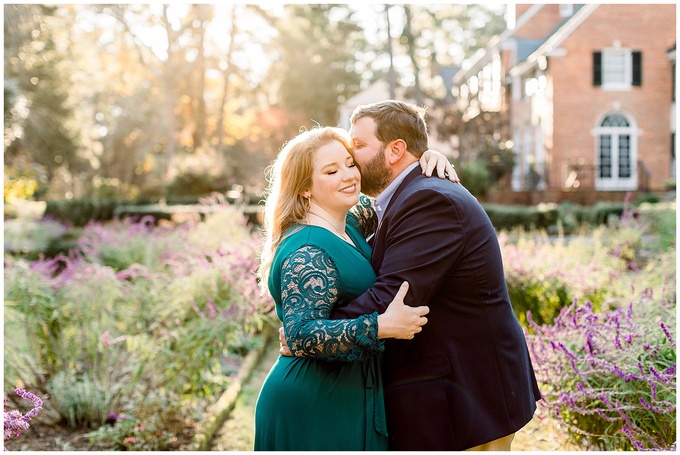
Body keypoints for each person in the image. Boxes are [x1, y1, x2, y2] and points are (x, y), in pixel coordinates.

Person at [282, 100, 542, 451]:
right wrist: (312, 330)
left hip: (468, 394)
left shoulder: (429, 199)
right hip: (453, 388)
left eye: (357, 147)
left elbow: (395, 295)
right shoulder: (399, 199)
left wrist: (316, 332)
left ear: (395, 151)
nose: (351, 158)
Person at [254, 126, 457, 451]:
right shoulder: (308, 251)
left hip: (347, 393)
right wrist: (380, 326)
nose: (349, 176)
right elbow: (299, 335)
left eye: (350, 163)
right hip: (314, 402)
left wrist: (425, 162)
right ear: (305, 188)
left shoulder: (349, 221)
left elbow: (394, 191)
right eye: (332, 171)